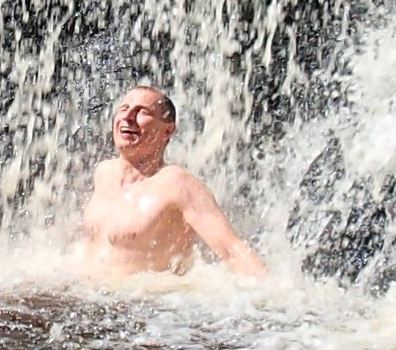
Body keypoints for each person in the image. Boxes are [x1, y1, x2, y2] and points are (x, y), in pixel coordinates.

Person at [80, 85, 267, 276]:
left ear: (167, 131)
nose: (128, 117)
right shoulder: (104, 173)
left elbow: (231, 249)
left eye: (142, 112)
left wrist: (272, 290)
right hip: (89, 291)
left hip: (138, 294)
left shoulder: (178, 185)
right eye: (124, 109)